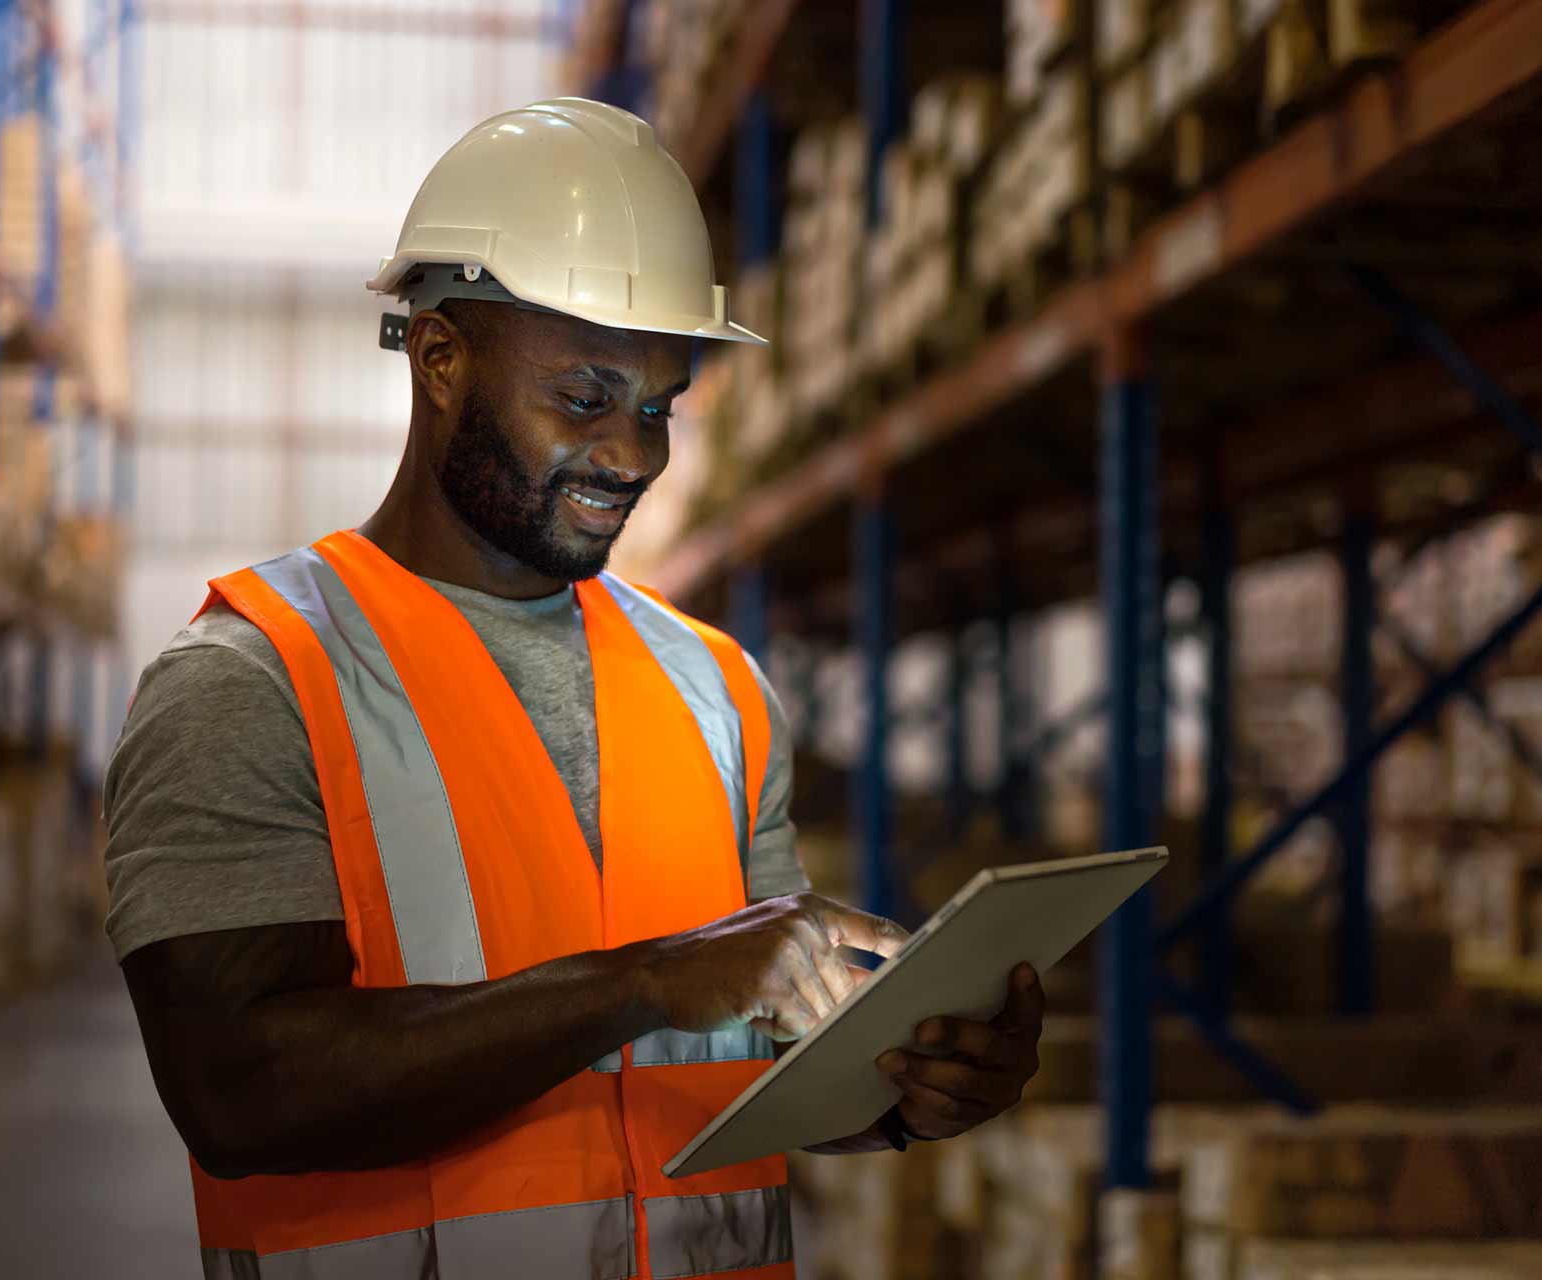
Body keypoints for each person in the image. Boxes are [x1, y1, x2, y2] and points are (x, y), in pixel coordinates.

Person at [104, 98, 1045, 1280]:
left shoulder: (716, 689)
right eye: (586, 397)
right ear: (439, 358)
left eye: (659, 406)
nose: (635, 455)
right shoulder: (255, 681)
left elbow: (745, 1057)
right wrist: (648, 979)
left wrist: (905, 1084)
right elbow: (239, 1091)